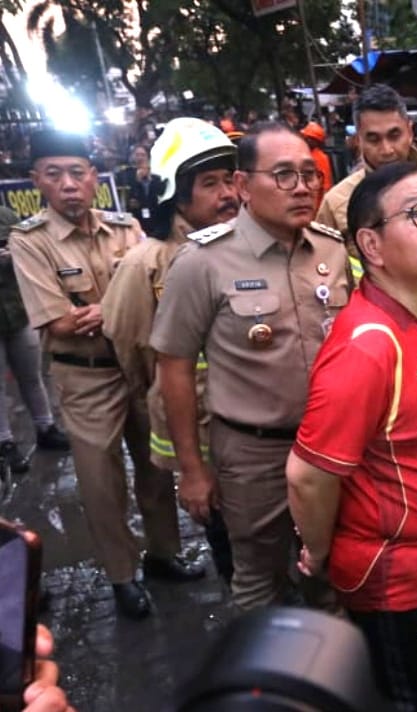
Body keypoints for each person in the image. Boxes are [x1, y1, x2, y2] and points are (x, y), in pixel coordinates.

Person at [288, 162, 417, 712]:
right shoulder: (368, 348)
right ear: (371, 245)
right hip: (397, 580)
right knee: (407, 697)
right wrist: (320, 554)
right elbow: (308, 475)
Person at [150, 122, 352, 610]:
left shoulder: (332, 249)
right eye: (282, 175)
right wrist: (192, 471)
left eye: (308, 174)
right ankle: (261, 680)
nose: (302, 187)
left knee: (331, 566)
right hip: (252, 454)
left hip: (328, 446)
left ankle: (328, 670)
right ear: (243, 186)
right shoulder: (203, 262)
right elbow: (173, 367)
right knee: (259, 580)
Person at [9, 129, 199, 620]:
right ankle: (121, 574)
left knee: (157, 467)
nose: (69, 184)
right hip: (85, 376)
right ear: (37, 182)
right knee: (101, 480)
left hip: (138, 364)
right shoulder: (30, 242)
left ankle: (163, 552)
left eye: (77, 172)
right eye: (55, 175)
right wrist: (122, 302)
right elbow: (59, 323)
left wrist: (103, 309)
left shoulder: (126, 227)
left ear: (94, 177)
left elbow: (160, 292)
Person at [101, 118, 240, 583]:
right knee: (232, 549)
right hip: (200, 438)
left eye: (229, 180)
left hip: (254, 437)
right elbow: (129, 346)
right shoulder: (147, 263)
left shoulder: (247, 247)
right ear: (177, 195)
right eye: (209, 184)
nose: (227, 195)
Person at [0, 207, 69, 475]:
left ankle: (46, 428)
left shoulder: (6, 215)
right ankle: (5, 443)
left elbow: (29, 249)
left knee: (32, 376)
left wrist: (14, 257)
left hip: (19, 311)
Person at [316, 84, 417, 237]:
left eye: (394, 136)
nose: (386, 150)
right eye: (374, 139)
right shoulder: (336, 204)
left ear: (410, 132)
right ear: (358, 140)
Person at [118, 144, 158, 233]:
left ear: (148, 157)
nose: (140, 158)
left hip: (153, 219)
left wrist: (150, 179)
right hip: (135, 217)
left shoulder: (156, 176)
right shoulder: (125, 175)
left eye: (143, 155)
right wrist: (137, 181)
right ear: (132, 157)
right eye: (137, 155)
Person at [300, 121, 334, 209]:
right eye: (305, 137)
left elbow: (326, 185)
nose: (305, 139)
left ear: (315, 140)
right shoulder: (303, 153)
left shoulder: (321, 158)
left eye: (308, 138)